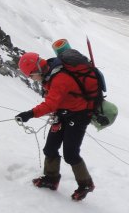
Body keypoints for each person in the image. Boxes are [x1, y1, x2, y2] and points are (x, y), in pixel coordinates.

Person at [16, 51, 97, 201]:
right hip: (63, 113)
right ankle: (51, 179)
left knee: (70, 154)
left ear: (37, 70)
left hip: (79, 116)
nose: (32, 79)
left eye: (31, 76)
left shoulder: (60, 78)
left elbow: (50, 104)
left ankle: (86, 184)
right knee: (50, 148)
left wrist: (30, 114)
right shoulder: (50, 74)